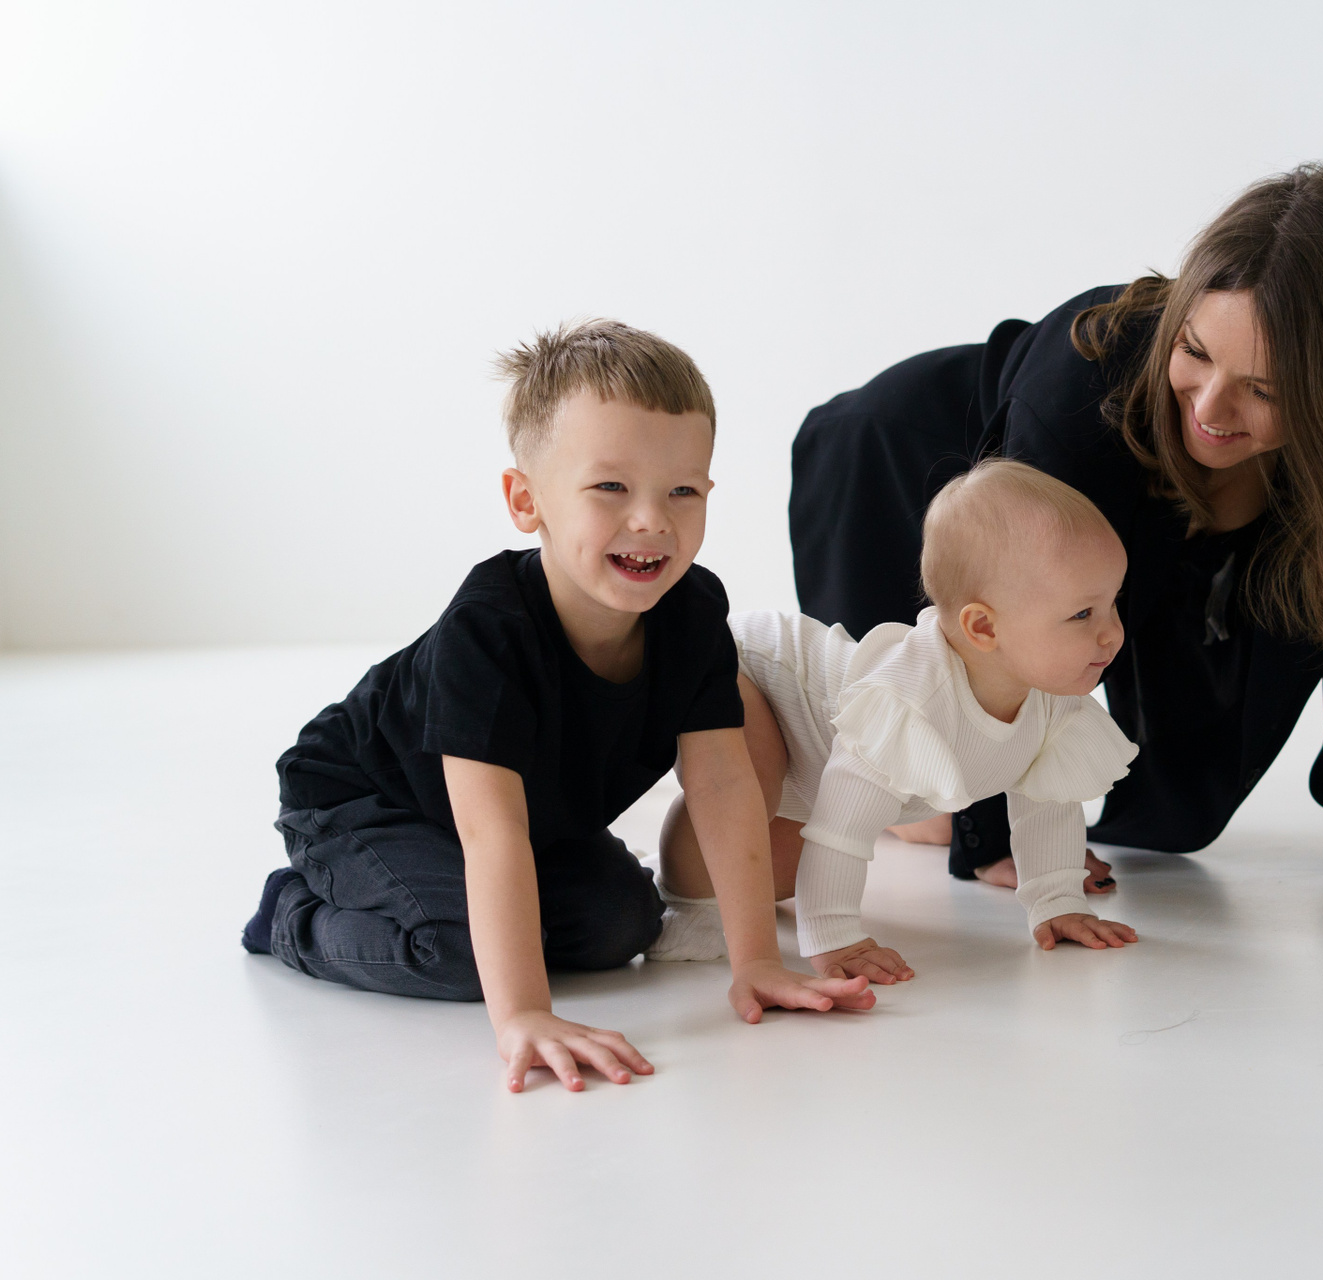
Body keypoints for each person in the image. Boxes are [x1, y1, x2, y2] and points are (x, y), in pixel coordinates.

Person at [788, 163, 1323, 886]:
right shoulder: (1081, 394)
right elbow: (1011, 621)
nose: (1210, 409)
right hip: (902, 466)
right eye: (1195, 351)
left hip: (1106, 501)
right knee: (905, 779)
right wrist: (989, 834)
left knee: (1184, 803)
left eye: (1265, 388)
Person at [241, 319, 871, 1095]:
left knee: (620, 925)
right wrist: (524, 1015)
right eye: (611, 488)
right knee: (459, 953)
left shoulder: (692, 612)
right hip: (369, 799)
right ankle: (291, 915)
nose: (652, 520)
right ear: (526, 499)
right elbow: (490, 832)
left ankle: (475, 913)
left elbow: (722, 783)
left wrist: (757, 963)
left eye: (682, 490)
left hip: (526, 822)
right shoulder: (489, 629)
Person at [654, 460, 1141, 982]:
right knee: (751, 790)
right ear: (983, 627)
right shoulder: (913, 699)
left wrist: (1057, 902)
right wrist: (835, 936)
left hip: (813, 764)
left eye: (1112, 604)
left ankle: (716, 880)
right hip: (748, 670)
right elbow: (840, 829)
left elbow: (1049, 806)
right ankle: (683, 903)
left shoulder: (1050, 697)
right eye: (1082, 615)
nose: (1112, 633)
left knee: (778, 870)